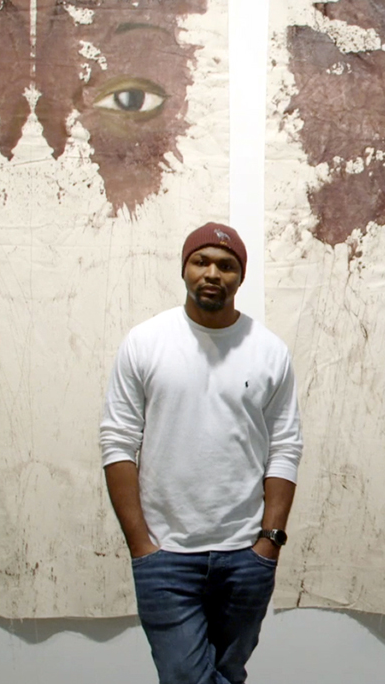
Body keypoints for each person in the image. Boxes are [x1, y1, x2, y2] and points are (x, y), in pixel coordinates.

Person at [100, 222, 303, 684]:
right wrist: (141, 546)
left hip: (245, 555)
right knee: (187, 678)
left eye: (226, 265)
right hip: (166, 556)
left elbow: (286, 446)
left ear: (240, 277)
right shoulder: (146, 342)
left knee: (227, 675)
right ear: (185, 268)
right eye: (202, 261)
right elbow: (118, 443)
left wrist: (268, 543)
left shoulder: (269, 351)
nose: (213, 273)